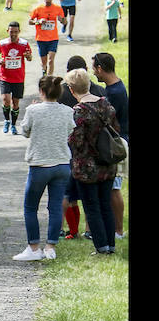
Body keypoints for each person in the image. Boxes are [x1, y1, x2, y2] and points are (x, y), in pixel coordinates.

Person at [12, 76, 76, 261]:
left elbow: (25, 131)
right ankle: (50, 247)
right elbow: (70, 131)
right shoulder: (67, 111)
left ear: (41, 92)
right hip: (62, 164)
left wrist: (33, 110)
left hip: (40, 164)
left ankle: (33, 247)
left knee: (30, 206)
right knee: (55, 207)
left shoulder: (33, 110)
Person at [66, 68, 120, 255]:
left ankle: (101, 247)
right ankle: (111, 245)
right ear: (88, 84)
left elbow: (77, 142)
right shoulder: (106, 105)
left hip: (87, 167)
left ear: (72, 90)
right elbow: (115, 130)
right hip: (107, 163)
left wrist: (69, 138)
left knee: (92, 207)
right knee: (106, 204)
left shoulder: (79, 111)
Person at [57, 56, 106, 240]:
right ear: (86, 69)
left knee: (65, 192)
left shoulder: (62, 91)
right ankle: (89, 229)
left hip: (68, 148)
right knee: (90, 192)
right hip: (95, 148)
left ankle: (61, 228)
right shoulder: (98, 90)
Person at [92, 52, 129, 238]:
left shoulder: (114, 92)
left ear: (100, 68)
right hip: (116, 141)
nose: (94, 73)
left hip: (116, 144)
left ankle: (118, 230)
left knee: (114, 188)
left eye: (94, 69)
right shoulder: (116, 86)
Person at [0, 21, 34, 135]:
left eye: (16, 32)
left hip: (18, 78)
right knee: (6, 100)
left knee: (15, 103)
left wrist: (28, 56)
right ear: (8, 31)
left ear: (19, 32)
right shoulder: (2, 43)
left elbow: (30, 57)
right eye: (11, 32)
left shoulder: (24, 44)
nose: (13, 35)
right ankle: (6, 120)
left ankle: (13, 124)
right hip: (5, 76)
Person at [29, 0, 67, 76]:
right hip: (41, 38)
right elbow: (30, 21)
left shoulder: (57, 8)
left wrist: (62, 20)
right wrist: (38, 21)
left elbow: (64, 21)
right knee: (44, 61)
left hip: (53, 38)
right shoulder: (38, 9)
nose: (47, 1)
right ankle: (44, 69)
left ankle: (49, 78)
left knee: (51, 60)